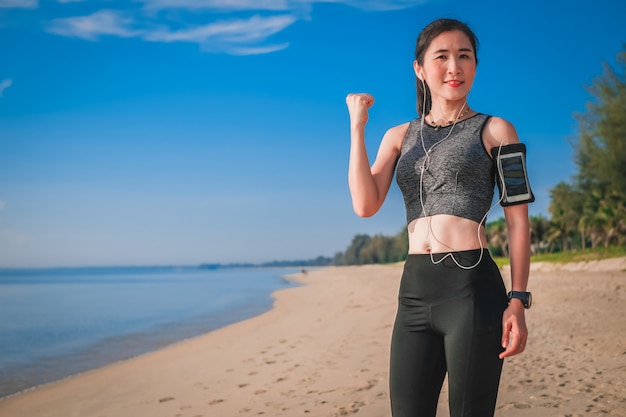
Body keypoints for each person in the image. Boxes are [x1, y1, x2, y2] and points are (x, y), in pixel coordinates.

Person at [345, 18, 532, 417]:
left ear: (475, 66)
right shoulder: (398, 136)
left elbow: (518, 221)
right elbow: (365, 204)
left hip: (472, 291)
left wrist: (517, 300)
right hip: (414, 292)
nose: (454, 67)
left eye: (464, 57)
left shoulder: (498, 131)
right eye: (442, 57)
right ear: (419, 68)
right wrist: (357, 128)